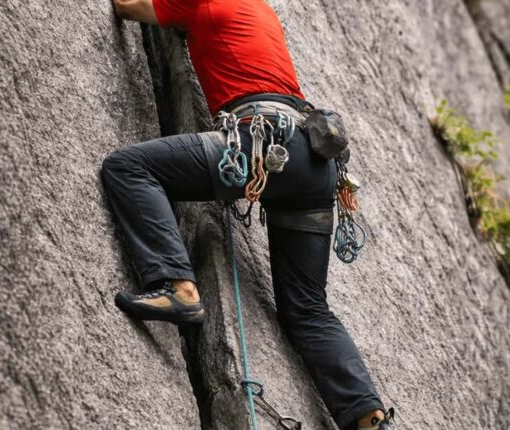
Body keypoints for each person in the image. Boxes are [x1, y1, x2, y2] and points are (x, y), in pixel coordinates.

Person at [102, 0, 394, 428]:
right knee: (307, 308)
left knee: (129, 167)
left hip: (262, 143)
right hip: (315, 162)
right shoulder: (258, 9)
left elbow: (128, 7)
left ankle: (177, 286)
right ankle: (369, 418)